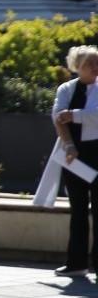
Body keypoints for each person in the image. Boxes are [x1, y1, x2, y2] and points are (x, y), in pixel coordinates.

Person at [50, 45, 98, 279]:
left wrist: (74, 115)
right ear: (78, 67)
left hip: (97, 154)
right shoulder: (66, 89)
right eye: (91, 64)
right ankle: (76, 263)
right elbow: (57, 117)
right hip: (74, 156)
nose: (96, 67)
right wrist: (68, 144)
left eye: (97, 63)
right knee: (77, 210)